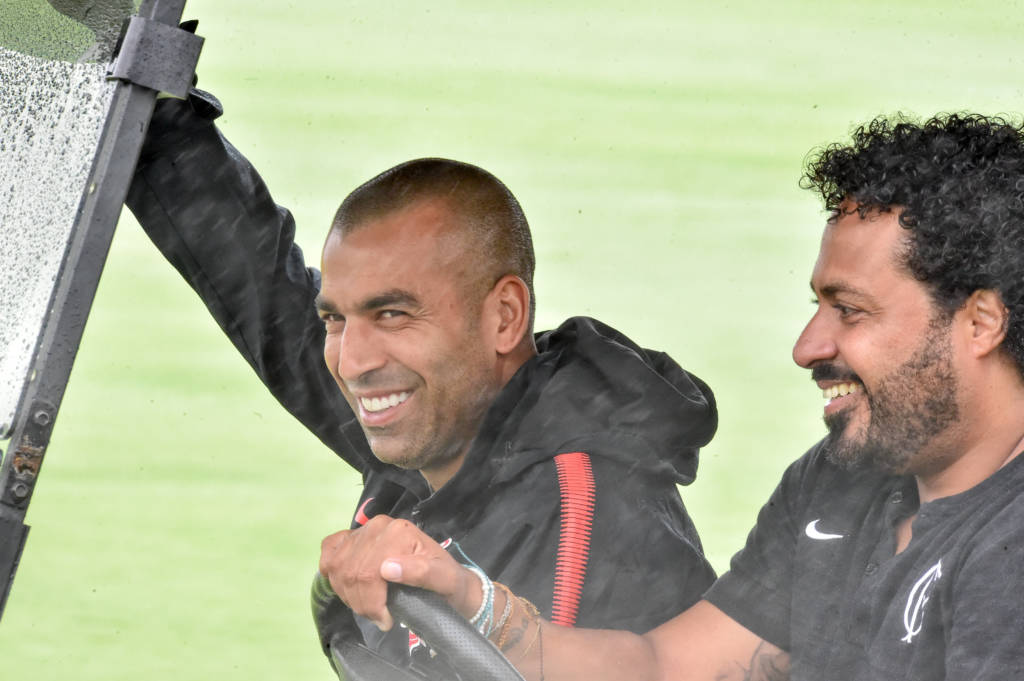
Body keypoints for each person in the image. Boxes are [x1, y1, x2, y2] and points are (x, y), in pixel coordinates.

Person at [320, 112, 1024, 681]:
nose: (808, 345)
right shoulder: (840, 482)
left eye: (851, 310)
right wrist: (475, 604)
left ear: (980, 323)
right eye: (817, 305)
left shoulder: (1009, 551)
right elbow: (665, 666)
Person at [125, 90, 719, 676]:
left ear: (504, 317)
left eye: (392, 314)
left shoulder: (584, 516)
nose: (352, 363)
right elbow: (263, 294)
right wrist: (158, 122)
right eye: (335, 319)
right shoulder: (443, 417)